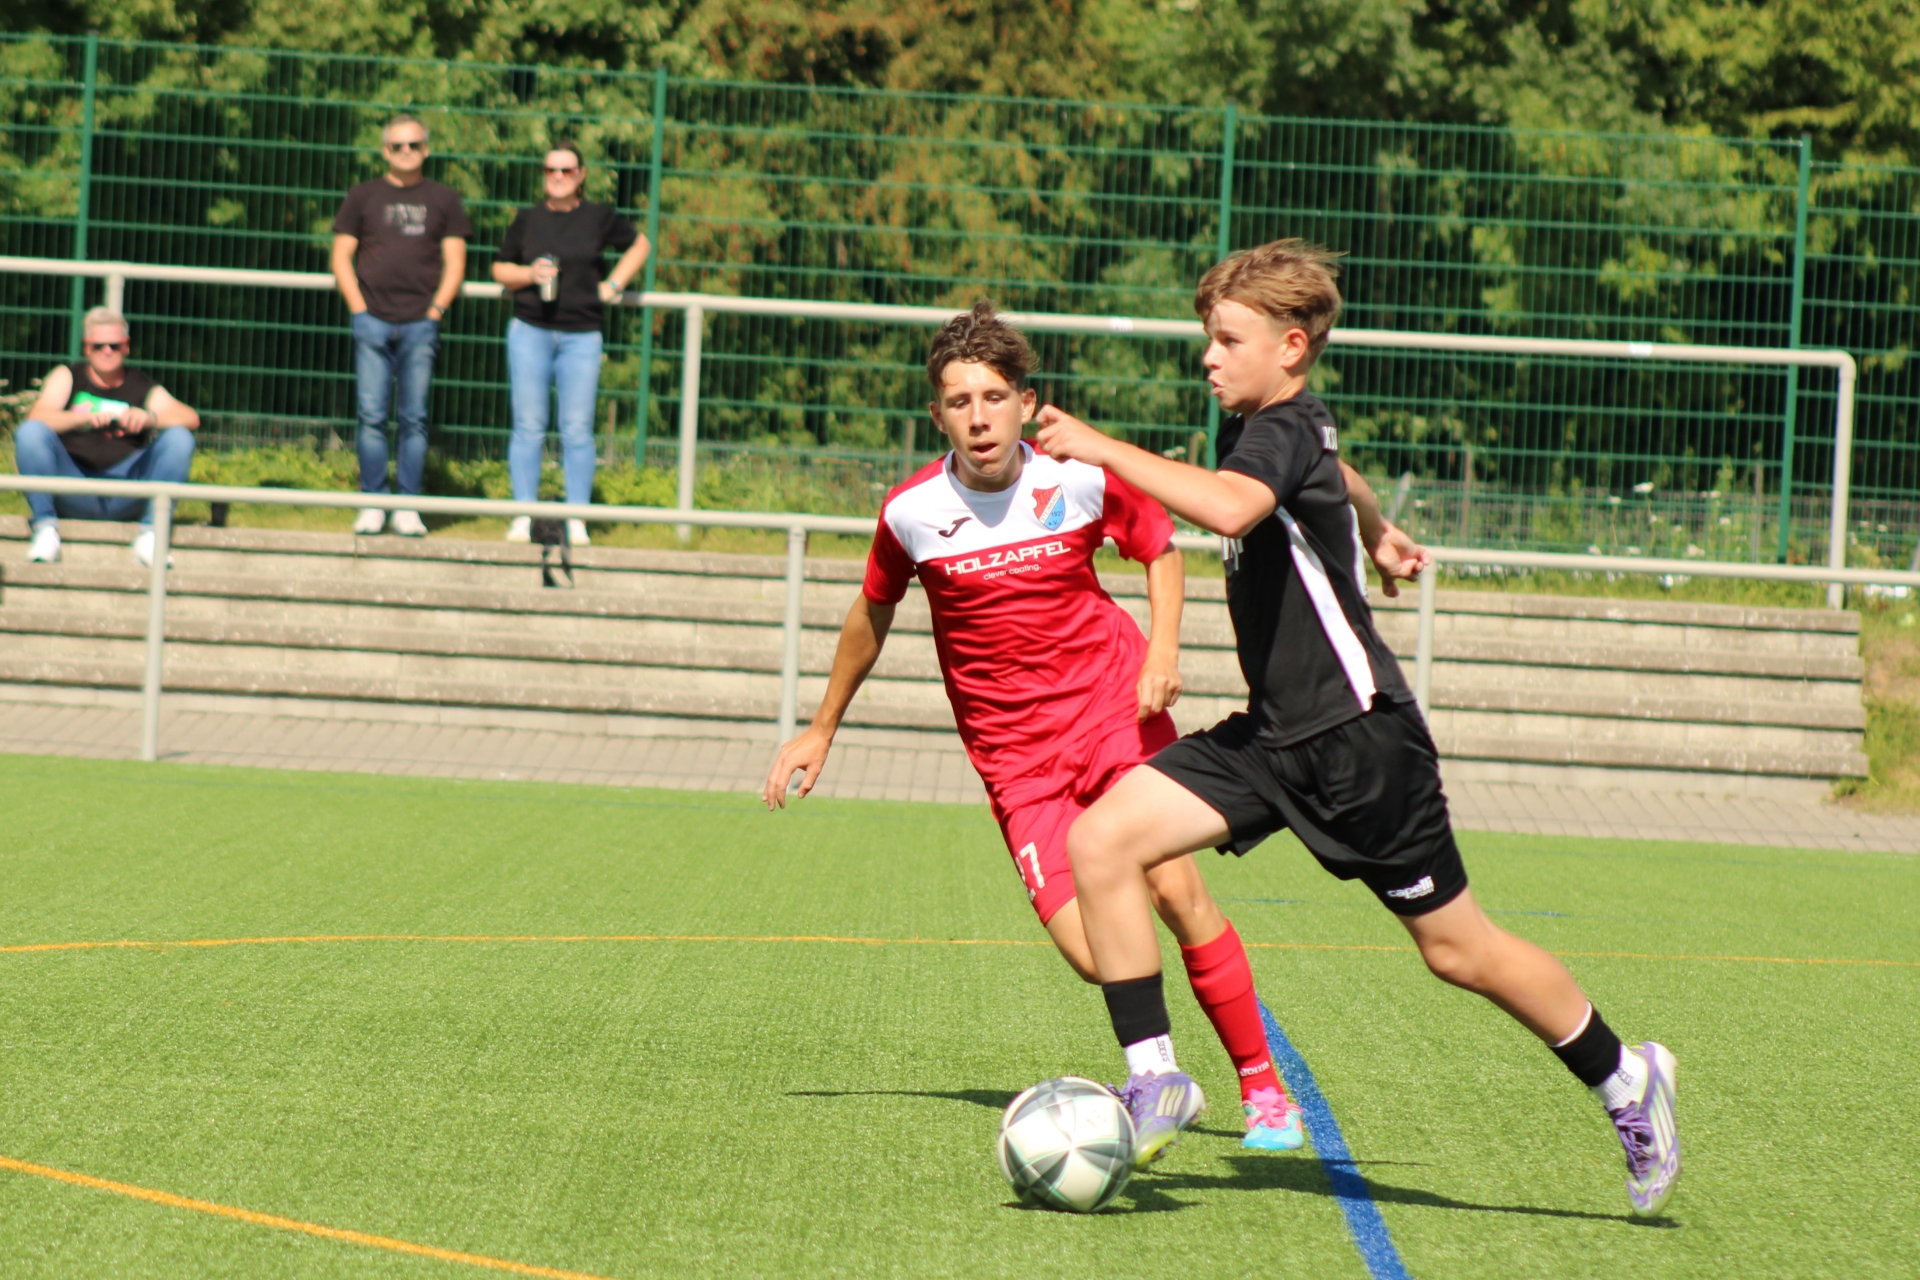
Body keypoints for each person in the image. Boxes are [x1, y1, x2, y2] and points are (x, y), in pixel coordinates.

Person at [1034, 239, 1682, 1217]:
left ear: (1290, 346)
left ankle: (1627, 1077)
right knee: (1101, 840)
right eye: (1208, 337)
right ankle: (1155, 1077)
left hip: (1361, 744)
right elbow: (1336, 472)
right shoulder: (1280, 426)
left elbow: (1230, 506)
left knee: (1457, 950)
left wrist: (1101, 445)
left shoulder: (1281, 427)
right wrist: (1375, 530)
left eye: (1227, 339)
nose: (1208, 356)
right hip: (1272, 740)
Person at [762, 302, 1421, 1166]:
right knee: (1089, 949)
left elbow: (1160, 550)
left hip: (1114, 713)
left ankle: (1259, 1088)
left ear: (1025, 403)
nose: (979, 417)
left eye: (994, 397)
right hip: (1016, 760)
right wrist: (821, 728)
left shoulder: (1076, 478)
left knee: (1176, 891)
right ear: (937, 415)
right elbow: (871, 612)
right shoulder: (911, 513)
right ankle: (1166, 1077)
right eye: (959, 402)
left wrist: (1163, 653)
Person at [490, 141, 650, 548]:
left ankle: (577, 518)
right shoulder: (528, 218)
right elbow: (499, 268)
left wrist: (613, 285)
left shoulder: (598, 216)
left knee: (577, 429)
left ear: (581, 175)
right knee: (528, 426)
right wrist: (529, 274)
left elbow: (641, 245)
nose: (558, 177)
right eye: (550, 170)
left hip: (581, 335)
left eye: (566, 170)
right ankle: (523, 516)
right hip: (530, 331)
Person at [331, 113, 471, 538]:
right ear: (385, 150)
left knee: (414, 418)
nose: (405, 152)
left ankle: (408, 505)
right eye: (397, 145)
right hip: (371, 320)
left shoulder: (445, 199)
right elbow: (341, 257)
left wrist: (435, 312)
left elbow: (456, 263)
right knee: (371, 417)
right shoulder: (362, 195)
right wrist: (359, 311)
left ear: (426, 150)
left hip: (420, 324)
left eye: (413, 145)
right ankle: (373, 502)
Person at [15, 307, 199, 567]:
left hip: (127, 491)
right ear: (86, 348)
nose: (107, 351)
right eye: (98, 346)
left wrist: (150, 418)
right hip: (73, 487)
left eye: (114, 345)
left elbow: (189, 417)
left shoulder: (140, 384)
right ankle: (45, 529)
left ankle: (152, 534)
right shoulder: (68, 376)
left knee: (179, 438)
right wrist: (81, 419)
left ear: (126, 346)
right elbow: (37, 417)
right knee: (30, 434)